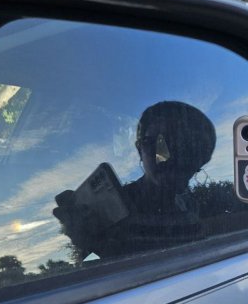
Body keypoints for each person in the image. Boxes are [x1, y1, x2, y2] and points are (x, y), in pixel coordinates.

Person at [54, 101, 216, 260]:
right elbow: (93, 261)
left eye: (179, 143)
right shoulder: (112, 209)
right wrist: (86, 240)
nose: (163, 156)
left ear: (201, 157)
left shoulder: (194, 205)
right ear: (140, 151)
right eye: (151, 143)